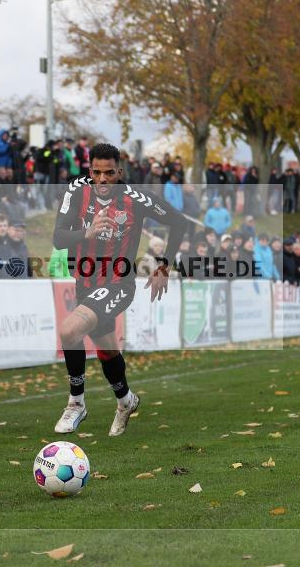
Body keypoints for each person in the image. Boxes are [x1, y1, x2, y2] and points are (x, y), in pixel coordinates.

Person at [51, 143, 187, 436]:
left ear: (119, 172)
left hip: (118, 283)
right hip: (85, 283)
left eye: (109, 173)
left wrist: (164, 266)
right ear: (89, 171)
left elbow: (179, 221)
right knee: (107, 349)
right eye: (97, 172)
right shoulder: (76, 191)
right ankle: (126, 401)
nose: (102, 179)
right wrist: (85, 233)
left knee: (69, 330)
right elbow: (58, 238)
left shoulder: (135, 198)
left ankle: (76, 403)